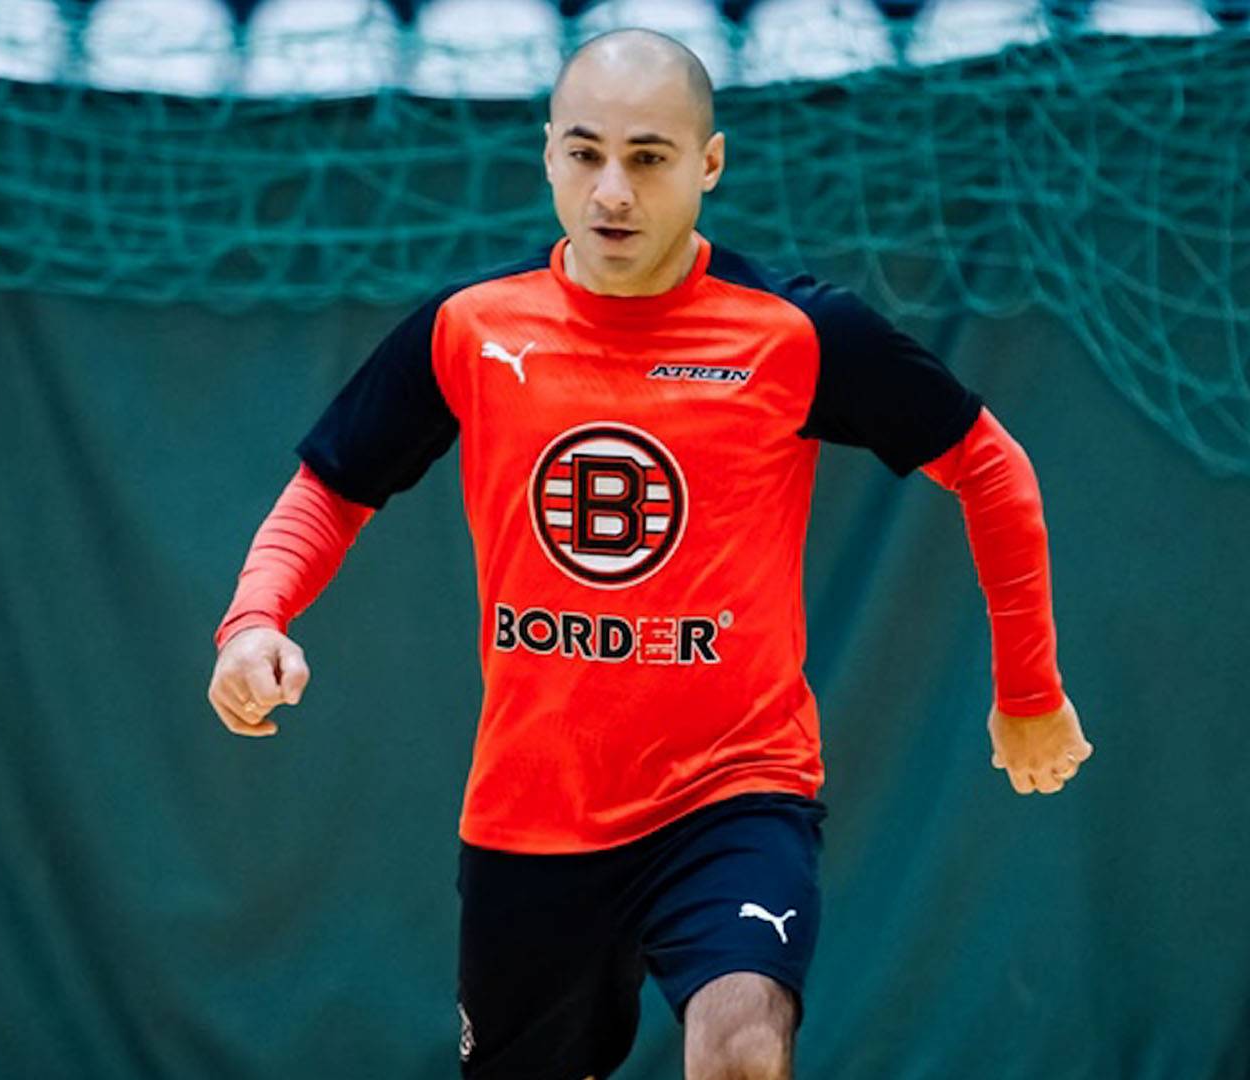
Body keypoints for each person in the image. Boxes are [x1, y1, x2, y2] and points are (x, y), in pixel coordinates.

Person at [206, 28, 1093, 1080]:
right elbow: (333, 485)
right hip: (531, 815)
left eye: (649, 157)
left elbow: (989, 466)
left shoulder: (794, 333)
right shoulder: (469, 330)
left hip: (732, 793)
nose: (613, 191)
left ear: (709, 164)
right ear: (547, 153)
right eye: (586, 153)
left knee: (742, 1043)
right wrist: (254, 619)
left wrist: (1029, 691)